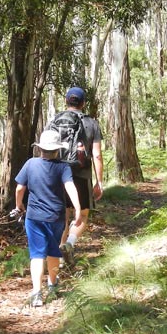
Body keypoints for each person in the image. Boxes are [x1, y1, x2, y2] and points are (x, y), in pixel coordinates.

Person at [14, 130, 83, 307]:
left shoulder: (30, 164)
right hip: (56, 217)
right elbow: (70, 187)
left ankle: (37, 293)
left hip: (34, 217)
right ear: (57, 150)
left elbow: (19, 188)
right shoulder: (63, 167)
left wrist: (18, 205)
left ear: (40, 148)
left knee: (37, 254)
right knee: (53, 250)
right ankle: (52, 285)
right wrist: (77, 208)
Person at [55, 86, 104, 267]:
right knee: (82, 214)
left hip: (58, 174)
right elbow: (97, 155)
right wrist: (99, 182)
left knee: (63, 215)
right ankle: (69, 243)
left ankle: (59, 256)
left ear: (66, 101)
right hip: (81, 175)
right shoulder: (92, 123)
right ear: (83, 103)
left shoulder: (55, 120)